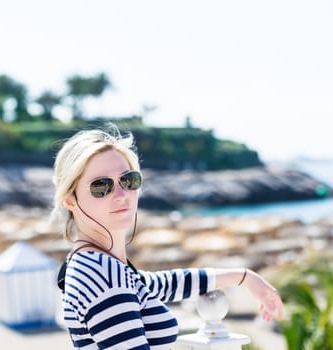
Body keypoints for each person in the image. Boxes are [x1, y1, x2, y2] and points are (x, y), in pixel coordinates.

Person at [51, 124, 283, 349]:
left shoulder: (92, 263)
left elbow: (157, 284)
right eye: (101, 186)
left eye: (128, 180)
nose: (121, 194)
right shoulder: (102, 273)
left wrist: (244, 277)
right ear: (70, 200)